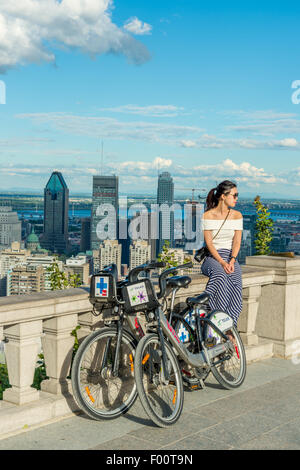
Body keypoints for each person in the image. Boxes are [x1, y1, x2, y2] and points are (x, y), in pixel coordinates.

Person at [201, 180, 243, 335]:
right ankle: (213, 312)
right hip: (213, 257)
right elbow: (209, 243)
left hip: (230, 256)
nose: (236, 198)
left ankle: (229, 328)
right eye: (234, 195)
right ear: (223, 197)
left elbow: (237, 241)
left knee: (236, 282)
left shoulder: (237, 215)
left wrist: (231, 260)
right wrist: (221, 261)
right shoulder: (208, 215)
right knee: (219, 275)